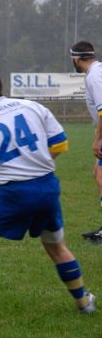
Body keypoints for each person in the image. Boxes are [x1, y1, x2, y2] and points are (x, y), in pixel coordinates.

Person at [0, 65, 96, 322]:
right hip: (48, 186)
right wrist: (37, 164)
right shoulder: (31, 107)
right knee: (57, 247)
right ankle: (84, 302)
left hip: (14, 193)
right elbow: (60, 142)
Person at [70, 41, 102, 243]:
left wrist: (98, 139)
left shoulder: (94, 76)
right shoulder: (97, 72)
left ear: (76, 58)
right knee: (98, 174)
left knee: (100, 176)